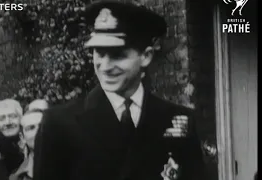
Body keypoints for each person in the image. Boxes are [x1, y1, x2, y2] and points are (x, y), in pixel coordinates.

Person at [33, 1, 204, 180]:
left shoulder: (178, 121)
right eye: (99, 53)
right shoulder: (59, 124)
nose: (105, 66)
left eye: (117, 55)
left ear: (146, 56)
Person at [0, 99, 25, 173]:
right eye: (1, 118)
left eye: (13, 116)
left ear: (21, 118)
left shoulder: (33, 139)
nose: (8, 122)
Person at [9, 109, 44, 180]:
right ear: (22, 137)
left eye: (43, 126)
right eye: (31, 128)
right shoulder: (18, 177)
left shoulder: (70, 166)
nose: (39, 131)